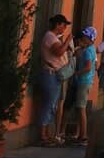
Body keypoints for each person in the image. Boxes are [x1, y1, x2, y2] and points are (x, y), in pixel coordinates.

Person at [38, 14, 71, 146]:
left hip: (55, 75)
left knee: (52, 105)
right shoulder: (50, 37)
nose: (64, 28)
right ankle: (43, 135)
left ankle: (46, 133)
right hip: (50, 74)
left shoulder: (53, 37)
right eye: (64, 25)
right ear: (58, 24)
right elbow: (59, 52)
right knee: (49, 104)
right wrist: (68, 41)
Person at [70, 27, 97, 145]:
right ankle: (80, 134)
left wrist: (76, 73)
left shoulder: (87, 51)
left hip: (84, 81)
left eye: (85, 36)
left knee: (81, 109)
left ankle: (83, 136)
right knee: (80, 108)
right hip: (87, 81)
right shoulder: (90, 49)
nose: (83, 38)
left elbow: (88, 67)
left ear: (90, 38)